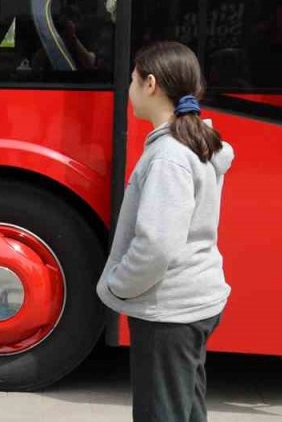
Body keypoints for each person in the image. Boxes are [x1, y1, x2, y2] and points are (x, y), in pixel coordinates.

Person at [97, 41, 232, 422]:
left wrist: (118, 285)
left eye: (133, 80)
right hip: (193, 301)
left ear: (151, 84)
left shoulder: (168, 156)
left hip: (168, 309)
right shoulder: (194, 144)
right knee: (186, 409)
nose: (129, 89)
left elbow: (156, 245)